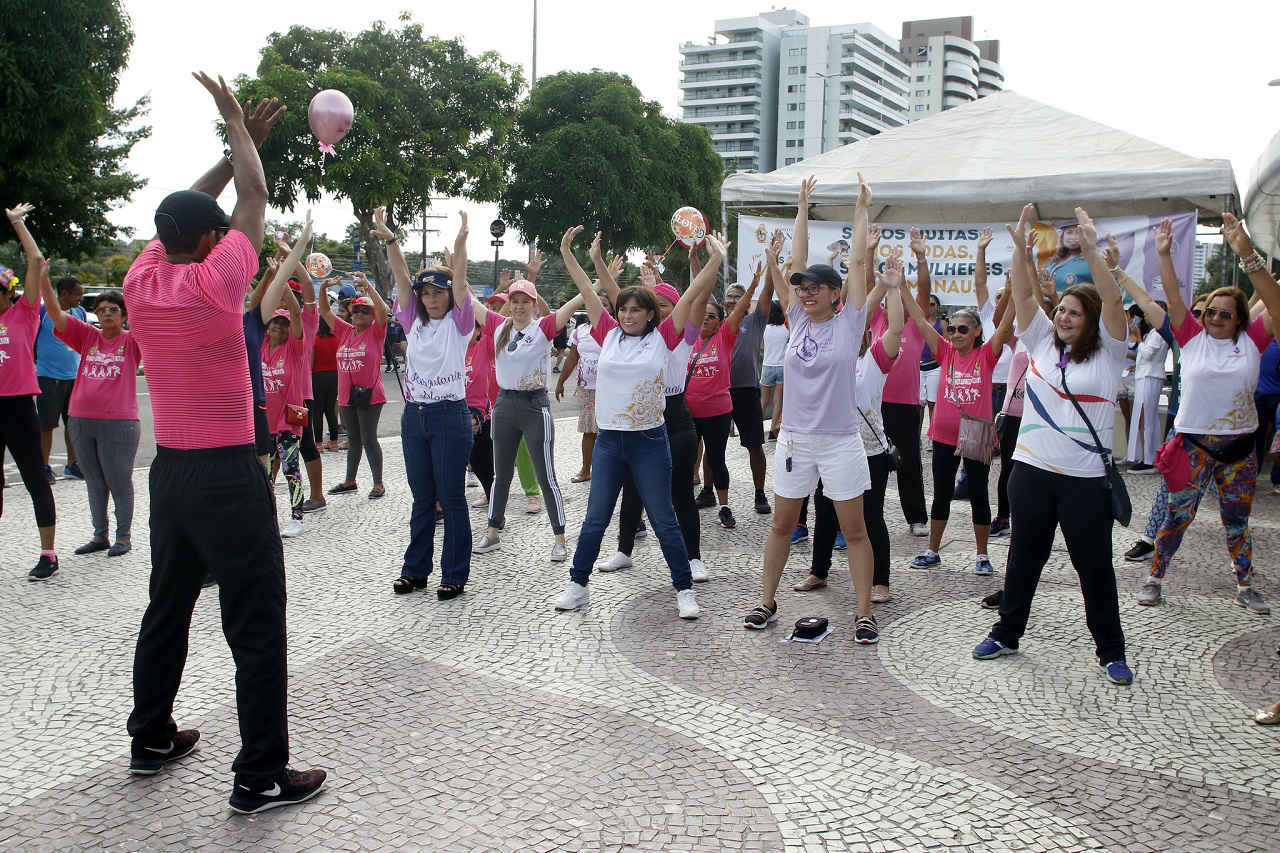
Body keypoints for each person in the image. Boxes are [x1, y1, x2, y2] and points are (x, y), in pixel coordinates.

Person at [123, 76, 324, 812]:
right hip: (228, 474)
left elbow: (185, 208)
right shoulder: (216, 283)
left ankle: (150, 736)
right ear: (210, 240)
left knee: (167, 605)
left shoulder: (140, 281)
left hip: (170, 473)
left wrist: (232, 150)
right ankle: (261, 774)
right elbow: (254, 194)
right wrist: (238, 126)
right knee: (255, 620)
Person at [974, 204, 1133, 684]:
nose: (1062, 316)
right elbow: (1023, 295)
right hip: (1031, 472)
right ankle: (1007, 633)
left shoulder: (1110, 352)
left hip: (1085, 481)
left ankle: (1111, 651)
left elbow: (1111, 298)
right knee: (1024, 558)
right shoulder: (1042, 342)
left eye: (1073, 312)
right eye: (1060, 309)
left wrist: (1091, 249)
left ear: (1092, 320)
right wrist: (1020, 251)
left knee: (1094, 567)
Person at [743, 174, 881, 644]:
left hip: (840, 441)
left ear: (836, 293)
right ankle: (766, 602)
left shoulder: (850, 322)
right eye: (801, 288)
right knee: (782, 525)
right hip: (795, 440)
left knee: (854, 530)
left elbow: (858, 261)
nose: (805, 292)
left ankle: (863, 613)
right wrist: (801, 207)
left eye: (816, 287)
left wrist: (861, 209)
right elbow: (795, 262)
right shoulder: (797, 317)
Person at [554, 228, 718, 617]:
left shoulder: (664, 337)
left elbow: (693, 296)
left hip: (649, 442)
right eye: (623, 310)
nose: (627, 316)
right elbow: (588, 289)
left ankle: (684, 589)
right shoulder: (607, 334)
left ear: (650, 315)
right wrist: (574, 254)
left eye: (635, 310)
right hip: (610, 443)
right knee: (595, 519)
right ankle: (578, 585)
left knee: (663, 519)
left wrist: (714, 260)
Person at [1134, 215, 1280, 615]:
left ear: (1240, 319)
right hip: (1193, 446)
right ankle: (1154, 578)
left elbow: (1276, 304)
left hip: (1238, 449)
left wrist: (1246, 254)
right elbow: (1172, 296)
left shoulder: (1253, 341)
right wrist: (1164, 254)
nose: (1214, 318)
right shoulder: (1191, 337)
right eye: (1211, 311)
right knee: (1177, 516)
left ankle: (1245, 586)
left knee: (1237, 521)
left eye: (1225, 314)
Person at [376, 207, 477, 598]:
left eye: (439, 293)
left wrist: (461, 244)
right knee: (422, 499)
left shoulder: (459, 323)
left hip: (450, 416)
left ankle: (454, 574)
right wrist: (390, 238)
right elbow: (401, 277)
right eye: (427, 294)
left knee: (451, 498)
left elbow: (462, 280)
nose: (432, 299)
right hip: (414, 417)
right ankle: (415, 570)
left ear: (450, 296)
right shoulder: (412, 321)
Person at [598, 245, 716, 580]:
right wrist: (600, 265)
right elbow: (618, 298)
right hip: (641, 416)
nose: (661, 309)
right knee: (632, 488)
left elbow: (699, 296)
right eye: (657, 304)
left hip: (674, 415)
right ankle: (624, 550)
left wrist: (708, 263)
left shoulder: (684, 334)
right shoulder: (637, 337)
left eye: (666, 304)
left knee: (681, 491)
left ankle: (693, 558)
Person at [792, 263, 903, 602]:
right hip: (832, 446)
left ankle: (881, 581)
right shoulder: (827, 352)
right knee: (825, 511)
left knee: (870, 517)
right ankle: (819, 571)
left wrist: (892, 288)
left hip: (869, 453)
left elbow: (896, 329)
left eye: (863, 330)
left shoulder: (875, 361)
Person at [904, 243, 1014, 576]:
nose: (955, 334)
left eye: (962, 329)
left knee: (979, 494)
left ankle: (982, 555)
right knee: (941, 494)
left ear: (977, 331)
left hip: (977, 433)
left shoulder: (987, 354)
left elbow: (1006, 322)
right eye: (951, 329)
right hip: (943, 435)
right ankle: (932, 550)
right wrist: (901, 285)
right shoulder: (945, 352)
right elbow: (920, 319)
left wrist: (1014, 286)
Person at [472, 270, 582, 560]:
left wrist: (594, 284)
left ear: (534, 305)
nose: (519, 306)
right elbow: (467, 298)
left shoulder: (542, 328)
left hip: (535, 405)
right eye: (515, 301)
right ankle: (492, 532)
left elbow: (573, 304)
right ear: (509, 304)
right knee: (501, 475)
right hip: (504, 406)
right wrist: (454, 266)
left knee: (546, 476)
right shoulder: (498, 326)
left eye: (525, 301)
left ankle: (560, 538)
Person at [41, 277, 141, 558]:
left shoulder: (133, 340)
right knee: (94, 482)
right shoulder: (87, 336)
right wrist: (43, 278)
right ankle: (100, 535)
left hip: (120, 423)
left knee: (118, 481)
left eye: (113, 309)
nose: (107, 314)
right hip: (81, 420)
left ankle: (123, 537)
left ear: (124, 315)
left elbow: (152, 320)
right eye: (102, 309)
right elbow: (55, 313)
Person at [2, 204, 59, 579]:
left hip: (19, 406)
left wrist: (17, 223)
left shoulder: (24, 312)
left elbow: (36, 261)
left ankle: (48, 554)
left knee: (35, 478)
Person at [688, 264, 763, 529]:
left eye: (712, 316)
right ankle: (685, 504)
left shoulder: (725, 337)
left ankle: (724, 507)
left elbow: (740, 309)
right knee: (686, 461)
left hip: (718, 412)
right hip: (689, 413)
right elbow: (689, 299)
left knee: (717, 459)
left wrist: (752, 286)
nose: (706, 319)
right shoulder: (688, 338)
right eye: (703, 315)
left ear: (721, 322)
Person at [872, 226, 934, 537]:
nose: (890, 302)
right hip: (874, 404)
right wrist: (870, 253)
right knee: (873, 461)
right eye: (886, 298)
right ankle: (870, 514)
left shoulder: (915, 325)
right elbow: (864, 289)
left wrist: (920, 258)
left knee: (909, 463)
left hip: (906, 405)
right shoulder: (876, 320)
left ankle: (917, 517)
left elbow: (922, 291)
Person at [258, 249, 313, 539]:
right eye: (275, 323)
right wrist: (269, 279)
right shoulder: (261, 347)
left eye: (284, 324)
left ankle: (297, 517)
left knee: (291, 470)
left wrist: (282, 277)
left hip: (289, 421)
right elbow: (254, 306)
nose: (279, 327)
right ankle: (267, 518)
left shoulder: (294, 348)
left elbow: (295, 312)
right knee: (265, 475)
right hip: (264, 422)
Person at [320, 275, 389, 500]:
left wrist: (368, 286)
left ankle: (378, 483)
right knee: (354, 440)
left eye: (365, 311)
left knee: (369, 439)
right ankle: (350, 480)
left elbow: (383, 309)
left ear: (372, 317)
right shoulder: (345, 331)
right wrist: (323, 288)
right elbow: (325, 311)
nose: (359, 313)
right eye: (356, 310)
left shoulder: (376, 332)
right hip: (347, 396)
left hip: (370, 395)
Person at [724, 262, 776, 516]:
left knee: (755, 445)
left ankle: (759, 492)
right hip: (720, 392)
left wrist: (772, 266)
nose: (733, 300)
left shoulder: (756, 320)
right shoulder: (715, 321)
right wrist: (694, 260)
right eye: (729, 297)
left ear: (746, 301)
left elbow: (767, 291)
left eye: (738, 296)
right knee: (714, 445)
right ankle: (709, 490)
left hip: (746, 391)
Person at [556, 289, 615, 483]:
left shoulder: (615, 331)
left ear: (611, 310)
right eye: (594, 304)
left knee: (608, 431)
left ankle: (609, 471)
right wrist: (561, 381)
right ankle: (586, 470)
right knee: (589, 430)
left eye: (604, 305)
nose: (598, 308)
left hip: (610, 390)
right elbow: (572, 358)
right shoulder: (580, 331)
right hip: (587, 389)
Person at [35, 274, 85, 481]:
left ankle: (73, 464)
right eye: (77, 295)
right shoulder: (43, 312)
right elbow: (31, 340)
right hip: (49, 376)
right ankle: (43, 467)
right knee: (47, 424)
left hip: (74, 377)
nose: (80, 298)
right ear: (63, 293)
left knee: (73, 423)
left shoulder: (80, 312)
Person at [1125, 305, 1168, 471]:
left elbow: (1148, 354)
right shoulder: (1153, 333)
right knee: (1145, 418)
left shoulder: (1158, 334)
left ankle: (1149, 459)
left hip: (1151, 376)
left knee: (1147, 418)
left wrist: (1139, 338)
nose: (1147, 317)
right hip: (1144, 375)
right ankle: (1147, 456)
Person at [309, 308, 342, 453]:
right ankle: (334, 442)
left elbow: (311, 362)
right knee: (330, 410)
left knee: (317, 411)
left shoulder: (314, 339)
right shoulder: (337, 338)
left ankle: (318, 444)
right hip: (335, 375)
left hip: (318, 376)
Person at [760, 300, 787, 441]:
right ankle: (773, 430)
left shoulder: (764, 329)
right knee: (778, 401)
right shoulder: (786, 330)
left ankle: (756, 429)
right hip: (782, 367)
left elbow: (762, 346)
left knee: (763, 400)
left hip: (767, 366)